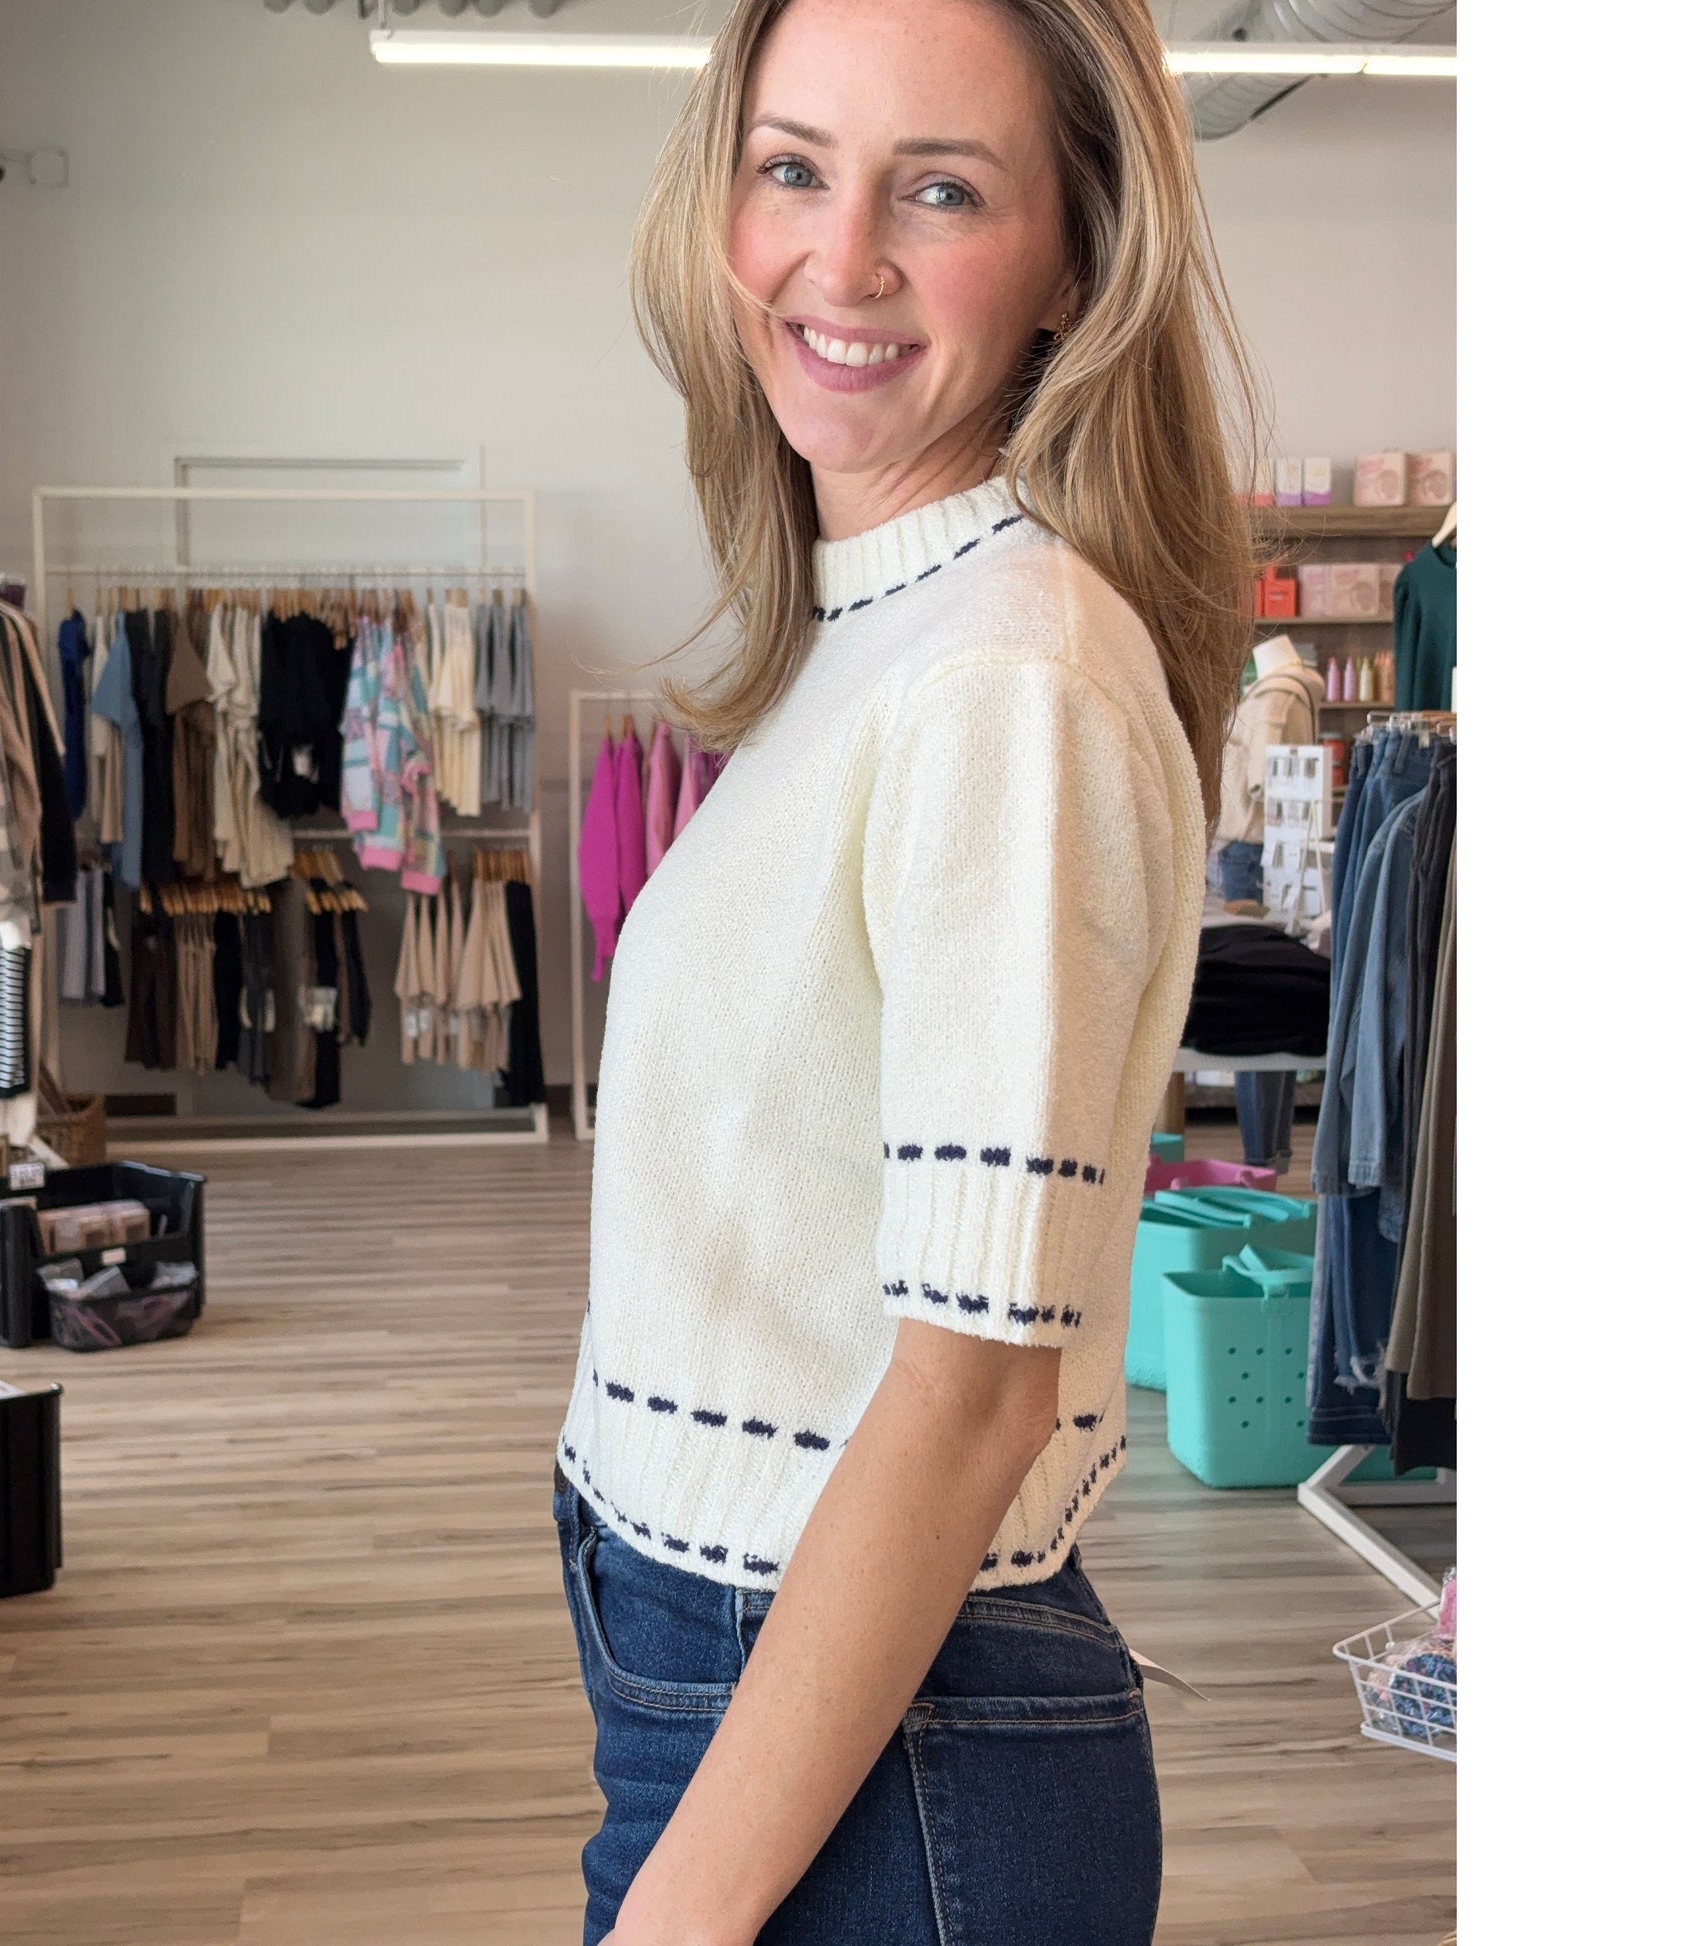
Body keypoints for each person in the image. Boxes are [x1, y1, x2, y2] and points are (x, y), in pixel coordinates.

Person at [552, 2, 1256, 1939]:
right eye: (791, 167)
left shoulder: (1004, 672)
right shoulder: (873, 629)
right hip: (768, 1690)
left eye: (937, 190)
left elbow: (968, 1394)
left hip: (884, 1740)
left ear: (1073, 263)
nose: (837, 255)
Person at [1214, 632, 1326, 1172]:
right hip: (1277, 852)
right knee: (1275, 1000)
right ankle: (1271, 1152)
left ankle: (1259, 1155)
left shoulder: (1275, 697)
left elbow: (1261, 781)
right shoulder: (1292, 690)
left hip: (1253, 853)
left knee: (1252, 1009)